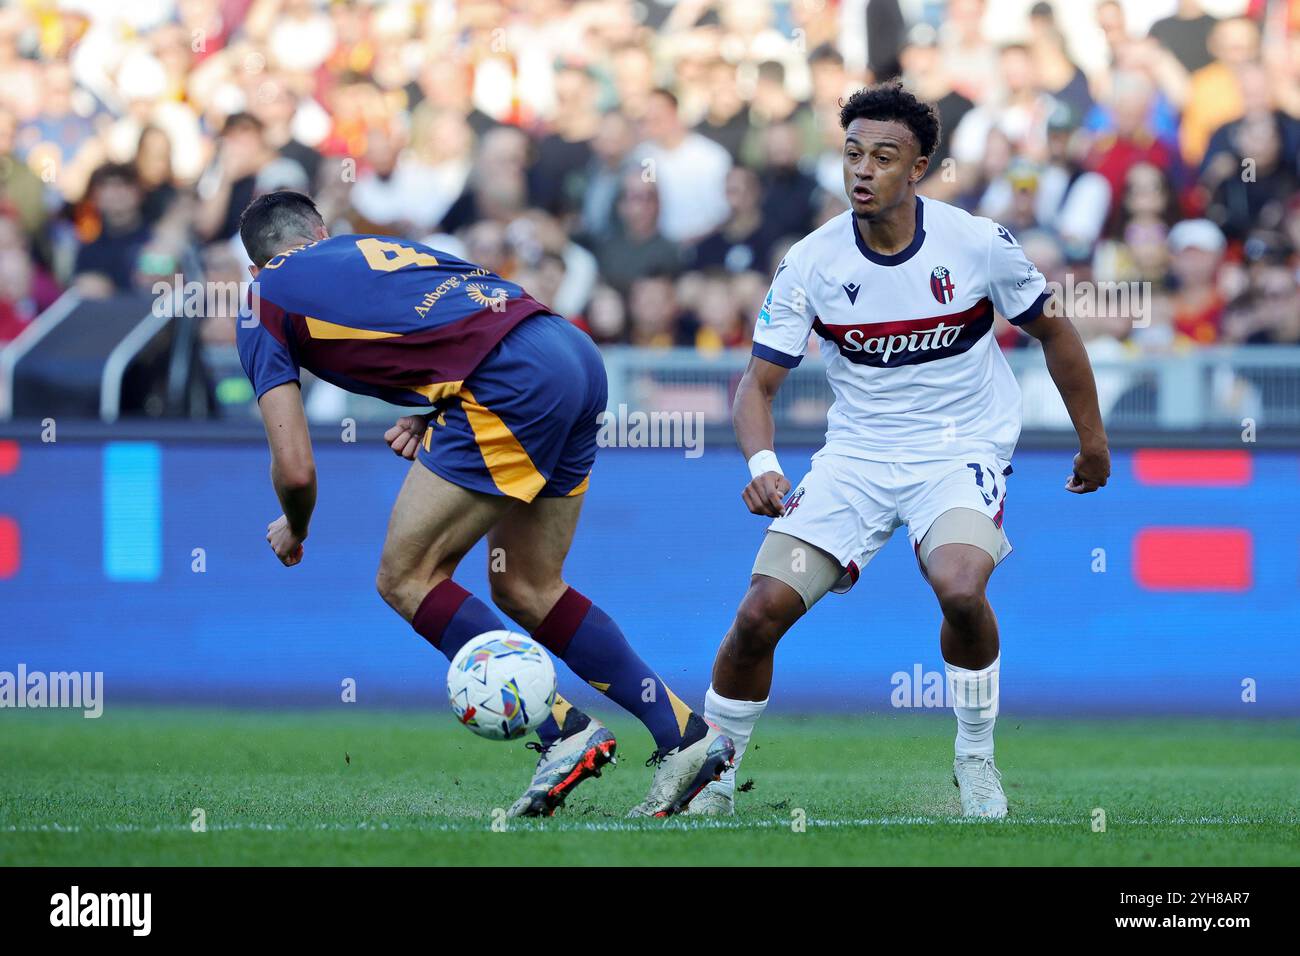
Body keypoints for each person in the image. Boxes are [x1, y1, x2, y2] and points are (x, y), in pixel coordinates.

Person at [234, 191, 733, 818]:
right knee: (526, 585)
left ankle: (564, 732)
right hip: (569, 352)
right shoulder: (371, 248)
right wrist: (439, 408)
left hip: (509, 383)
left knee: (405, 576)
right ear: (322, 231)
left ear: (256, 265)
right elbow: (465, 315)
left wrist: (295, 526)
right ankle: (685, 737)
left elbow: (296, 467)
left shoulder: (260, 299)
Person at [688, 83, 1110, 818]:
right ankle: (713, 776)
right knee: (759, 614)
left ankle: (975, 758)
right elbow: (756, 387)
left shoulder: (977, 243)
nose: (863, 170)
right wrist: (763, 466)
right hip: (854, 459)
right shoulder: (811, 262)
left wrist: (1093, 441)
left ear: (917, 169)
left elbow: (1056, 333)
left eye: (884, 157)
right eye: (853, 153)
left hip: (959, 450)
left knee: (959, 588)